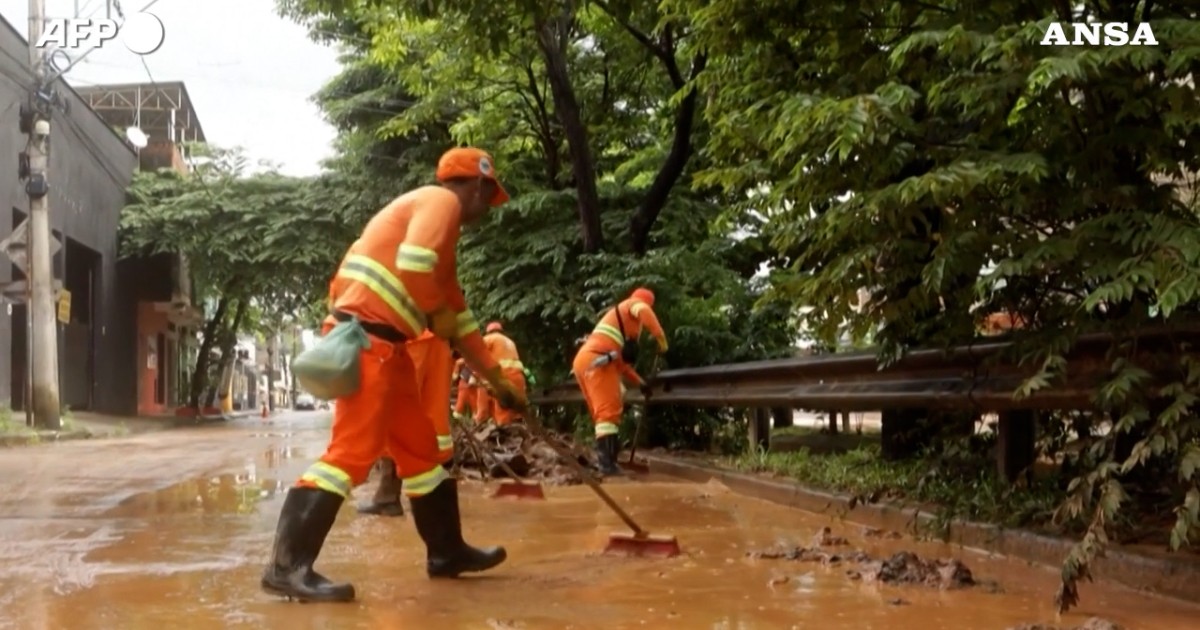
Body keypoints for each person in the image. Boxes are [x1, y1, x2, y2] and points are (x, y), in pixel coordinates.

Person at [261, 147, 527, 603]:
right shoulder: (440, 203)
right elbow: (415, 264)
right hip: (368, 341)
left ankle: (446, 552)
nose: (488, 207)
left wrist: (498, 381)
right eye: (490, 195)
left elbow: (459, 322)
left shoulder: (440, 235)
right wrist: (438, 310)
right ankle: (287, 567)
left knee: (421, 451)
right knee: (352, 451)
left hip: (390, 346)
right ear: (479, 185)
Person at [357, 329, 457, 517]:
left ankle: (388, 497)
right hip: (440, 338)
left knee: (392, 413)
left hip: (409, 336)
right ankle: (435, 501)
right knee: (433, 415)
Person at [571, 288, 667, 476]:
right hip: (598, 361)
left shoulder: (616, 329)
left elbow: (623, 366)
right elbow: (644, 311)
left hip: (586, 361)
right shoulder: (632, 305)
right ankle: (607, 466)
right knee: (608, 412)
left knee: (602, 416)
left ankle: (608, 460)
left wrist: (641, 384)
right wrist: (660, 337)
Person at [475, 322, 527, 426]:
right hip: (519, 376)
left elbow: (477, 352)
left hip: (504, 374)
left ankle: (502, 429)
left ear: (488, 332)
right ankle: (518, 429)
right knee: (515, 408)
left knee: (502, 405)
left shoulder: (490, 338)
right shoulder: (510, 341)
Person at [453, 355, 478, 422]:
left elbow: (454, 376)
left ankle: (458, 410)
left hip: (469, 377)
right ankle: (476, 414)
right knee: (472, 396)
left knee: (466, 394)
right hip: (470, 376)